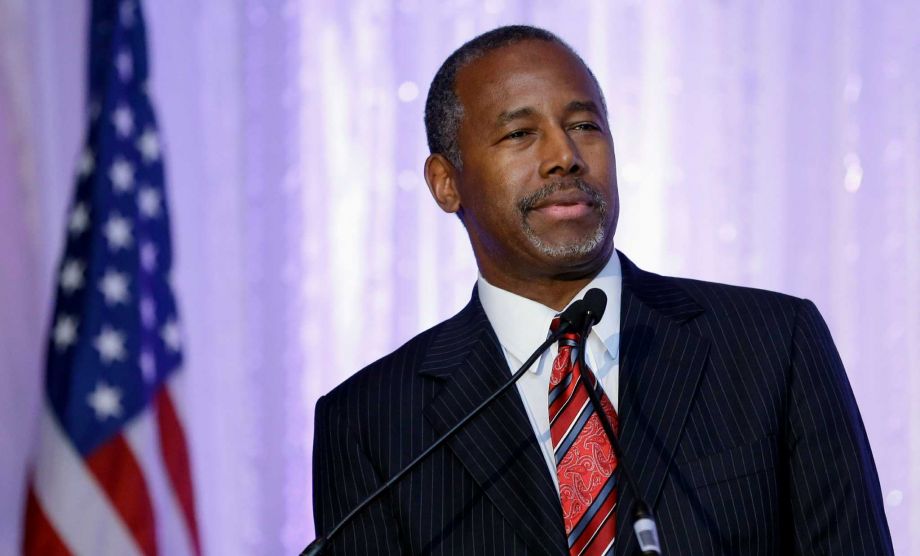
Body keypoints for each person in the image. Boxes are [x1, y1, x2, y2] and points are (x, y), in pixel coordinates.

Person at [311, 25, 893, 555]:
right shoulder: (371, 421)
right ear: (445, 183)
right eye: (520, 133)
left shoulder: (770, 345)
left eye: (584, 126)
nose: (564, 157)